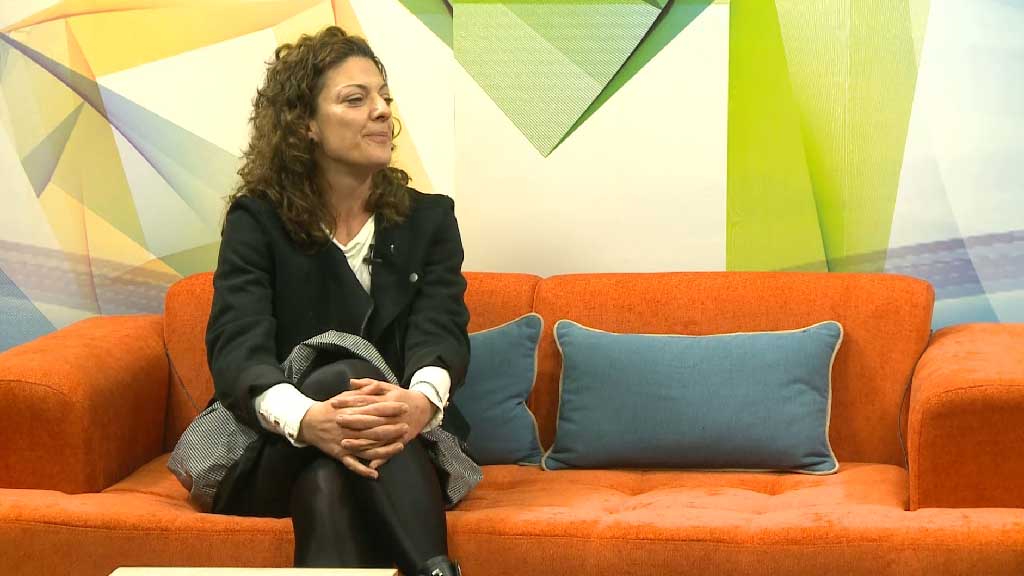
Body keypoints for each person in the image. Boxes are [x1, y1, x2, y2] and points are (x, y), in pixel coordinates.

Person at [203, 26, 474, 575]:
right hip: (276, 443)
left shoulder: (429, 221)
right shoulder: (258, 222)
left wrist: (419, 403)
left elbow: (441, 331)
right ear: (304, 124)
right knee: (340, 371)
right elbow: (237, 348)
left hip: (402, 443)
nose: (382, 111)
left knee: (328, 480)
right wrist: (307, 420)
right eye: (356, 99)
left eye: (384, 97)